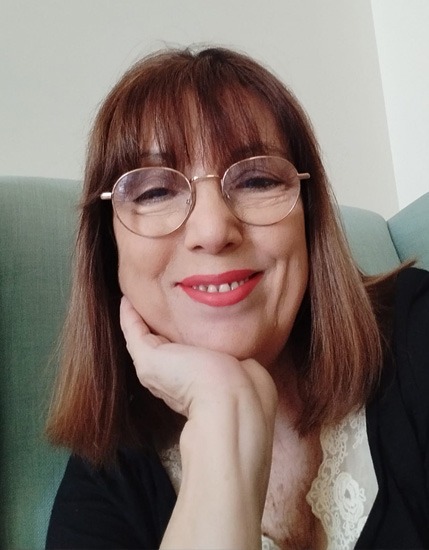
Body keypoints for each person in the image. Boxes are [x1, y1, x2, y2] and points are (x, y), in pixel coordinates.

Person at [45, 46, 429, 550]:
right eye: (155, 192)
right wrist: (222, 414)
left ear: (308, 218)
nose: (212, 230)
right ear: (107, 247)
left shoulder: (417, 328)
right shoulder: (103, 485)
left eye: (256, 180)